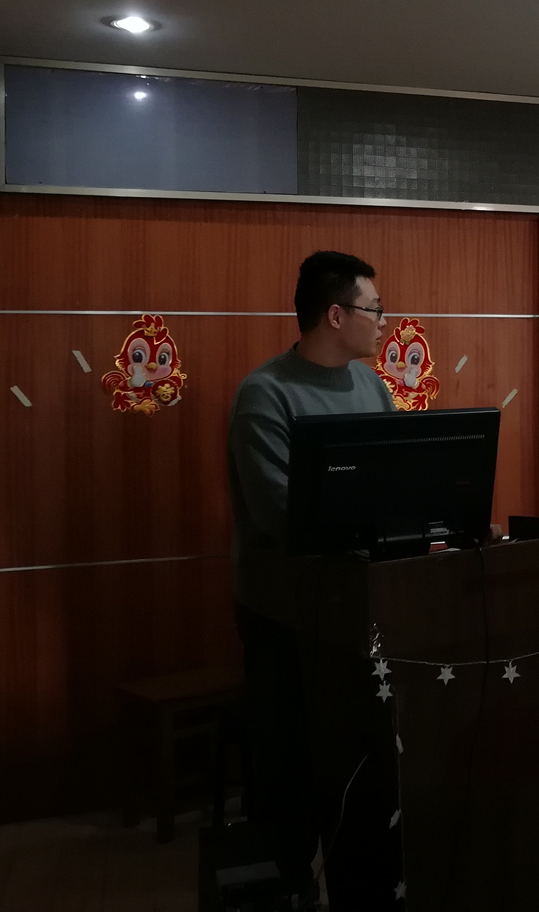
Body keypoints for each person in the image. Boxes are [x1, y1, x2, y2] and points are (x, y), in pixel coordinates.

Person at [227, 250, 402, 909]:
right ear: (335, 314)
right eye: (374, 308)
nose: (383, 321)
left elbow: (395, 486)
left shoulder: (373, 387)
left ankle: (367, 874)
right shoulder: (265, 393)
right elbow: (278, 512)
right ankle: (294, 879)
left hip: (363, 604)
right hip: (287, 613)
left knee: (365, 760)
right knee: (292, 756)